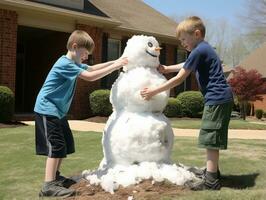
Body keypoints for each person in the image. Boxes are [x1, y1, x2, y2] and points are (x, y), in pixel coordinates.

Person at [140, 16, 233, 190]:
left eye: (183, 39)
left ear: (196, 34)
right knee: (210, 136)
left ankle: (211, 181)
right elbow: (187, 64)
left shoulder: (199, 50)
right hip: (220, 98)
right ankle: (212, 172)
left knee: (210, 137)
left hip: (217, 98)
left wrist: (154, 91)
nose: (182, 43)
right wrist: (167, 68)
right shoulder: (203, 49)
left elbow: (180, 78)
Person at [34, 30, 128, 197]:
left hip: (57, 112)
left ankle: (55, 177)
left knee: (65, 144)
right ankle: (48, 185)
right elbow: (90, 76)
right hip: (47, 110)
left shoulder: (73, 63)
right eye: (85, 53)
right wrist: (116, 66)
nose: (86, 57)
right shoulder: (65, 63)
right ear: (75, 47)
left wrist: (117, 61)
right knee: (56, 146)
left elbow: (92, 68)